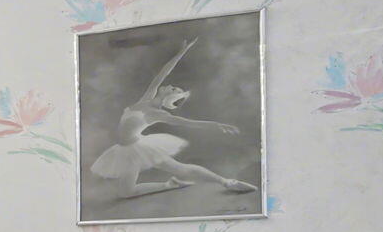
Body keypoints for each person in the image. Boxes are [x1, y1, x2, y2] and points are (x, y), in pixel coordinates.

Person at [88, 38, 257, 199]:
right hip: (127, 149)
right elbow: (163, 73)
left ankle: (226, 182)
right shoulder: (147, 98)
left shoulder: (157, 113)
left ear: (170, 97)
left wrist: (216, 124)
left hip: (137, 149)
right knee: (126, 193)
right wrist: (182, 51)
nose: (170, 85)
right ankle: (170, 184)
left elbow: (189, 123)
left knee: (182, 169)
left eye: (174, 88)